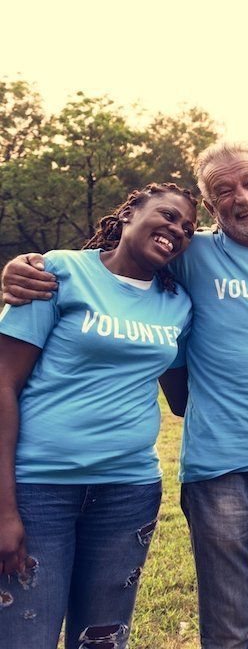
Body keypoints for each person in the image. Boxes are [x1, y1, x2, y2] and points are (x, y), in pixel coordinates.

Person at [2, 140, 248, 649]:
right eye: (222, 190)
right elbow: (116, 265)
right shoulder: (189, 252)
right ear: (210, 207)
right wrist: (23, 269)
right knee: (228, 628)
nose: (242, 197)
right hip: (217, 470)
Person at [0, 183, 196, 649]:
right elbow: (3, 384)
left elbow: (183, 399)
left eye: (188, 228)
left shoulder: (178, 304)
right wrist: (3, 508)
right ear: (129, 213)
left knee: (101, 641)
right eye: (167, 216)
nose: (177, 230)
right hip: (39, 489)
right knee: (24, 636)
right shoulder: (59, 271)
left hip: (128, 492)